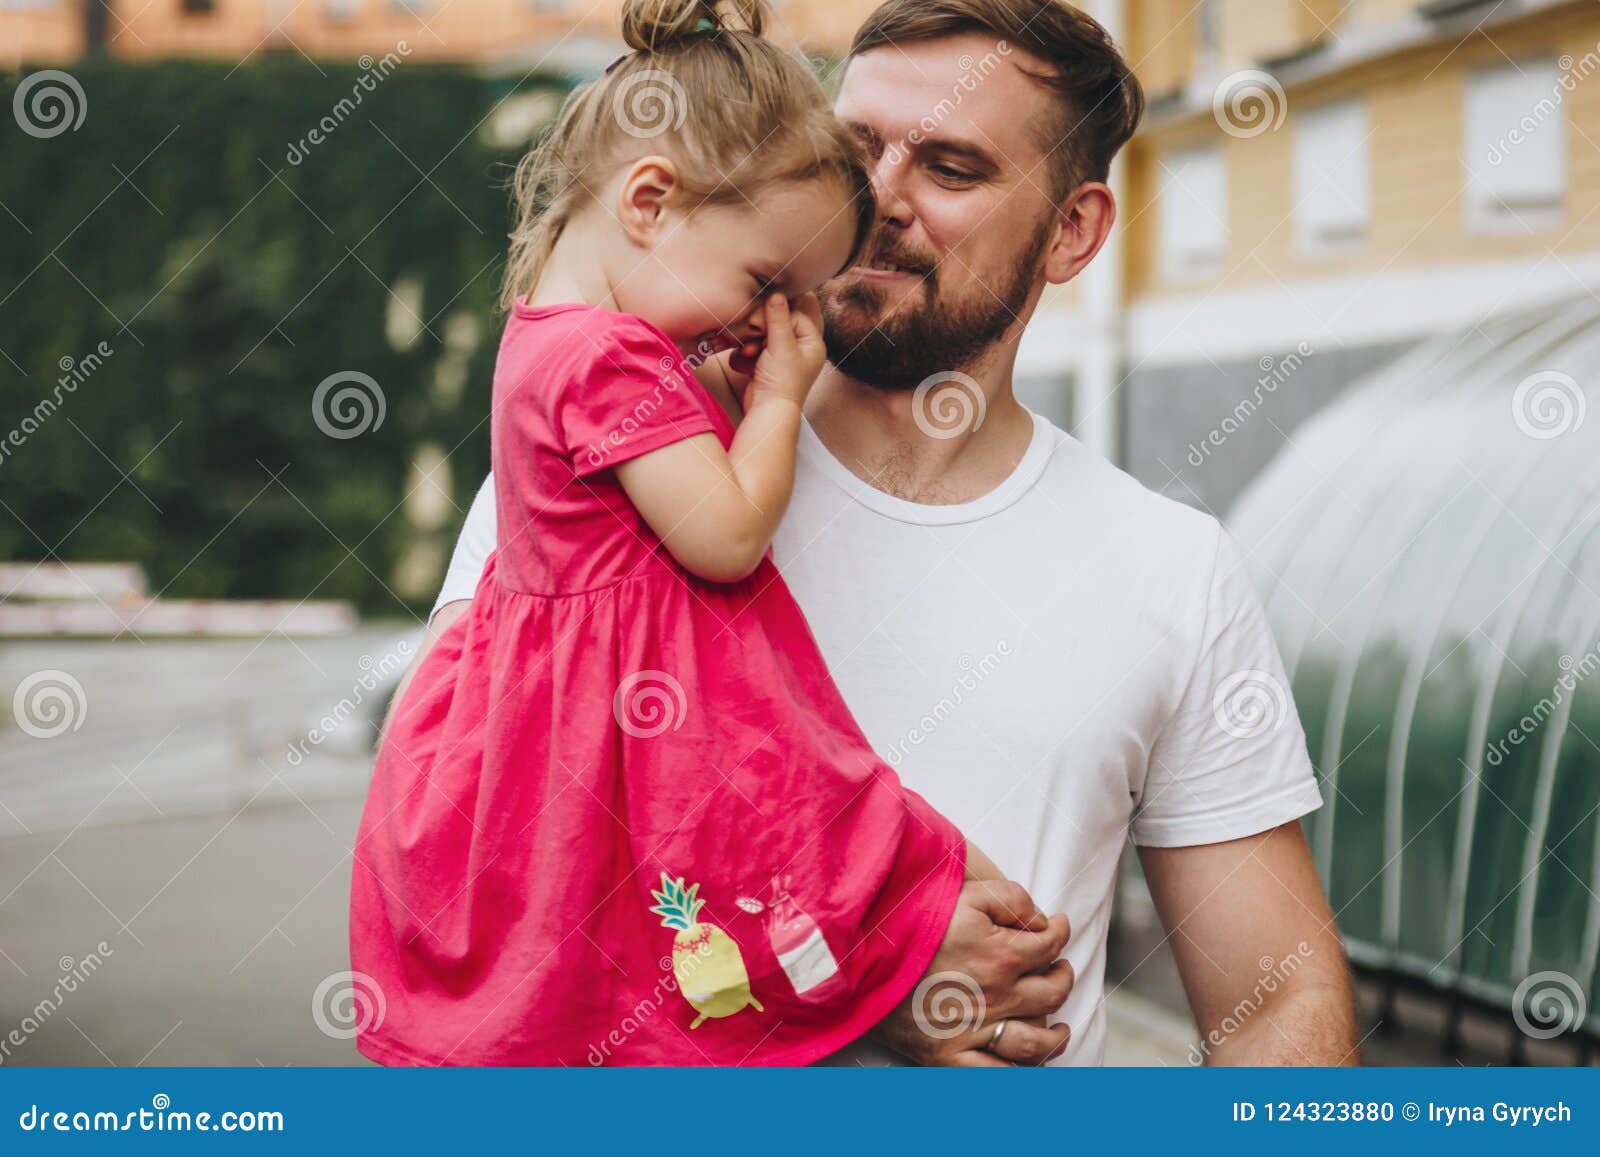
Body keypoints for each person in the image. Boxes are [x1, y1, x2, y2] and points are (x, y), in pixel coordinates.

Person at [406, 0, 1362, 1065]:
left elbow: (1280, 1005)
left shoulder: (1174, 569)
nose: (878, 200)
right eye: (853, 150)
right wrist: (844, 976)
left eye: (950, 168)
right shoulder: (601, 467)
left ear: (1073, 229)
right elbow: (477, 886)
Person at [349, 0, 1042, 1068]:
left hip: (570, 693)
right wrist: (774, 403)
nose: (767, 322)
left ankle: (915, 976)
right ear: (648, 200)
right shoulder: (609, 359)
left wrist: (725, 376)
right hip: (637, 701)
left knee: (646, 951)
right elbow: (722, 537)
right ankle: (918, 984)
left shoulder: (559, 335)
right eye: (765, 282)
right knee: (834, 848)